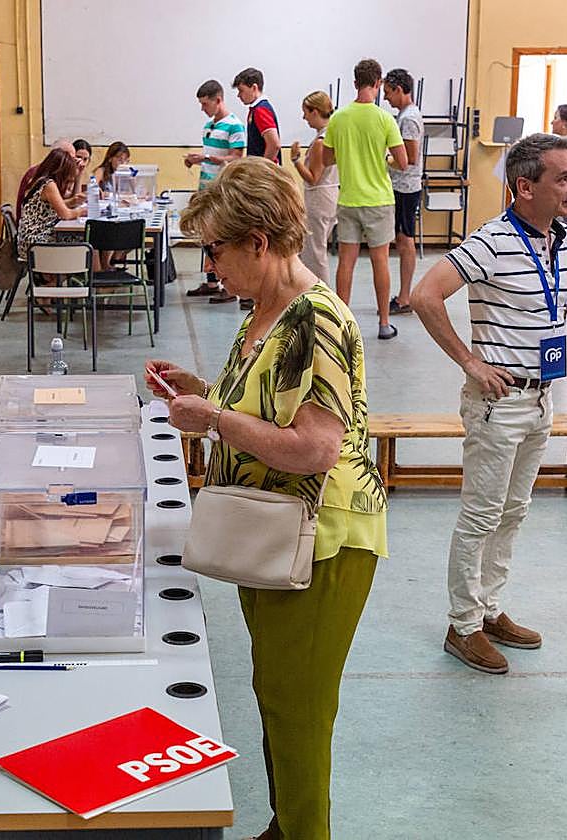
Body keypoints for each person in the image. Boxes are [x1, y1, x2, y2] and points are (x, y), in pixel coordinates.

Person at [145, 157, 386, 840]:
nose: (209, 264)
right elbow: (265, 406)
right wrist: (200, 390)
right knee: (276, 696)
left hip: (323, 538)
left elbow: (313, 448)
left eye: (214, 249)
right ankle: (285, 826)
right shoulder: (266, 310)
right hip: (270, 528)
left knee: (300, 709)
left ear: (258, 240)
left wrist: (215, 421)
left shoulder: (317, 320)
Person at [411, 133, 567, 675]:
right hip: (497, 404)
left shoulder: (563, 240)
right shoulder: (491, 241)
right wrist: (470, 362)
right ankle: (463, 624)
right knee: (481, 515)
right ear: (525, 187)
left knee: (513, 512)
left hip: (540, 398)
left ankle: (490, 607)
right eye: (564, 178)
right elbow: (424, 296)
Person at [322, 58, 408, 337]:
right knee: (380, 261)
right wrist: (383, 160)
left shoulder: (338, 118)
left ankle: (341, 326)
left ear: (355, 82)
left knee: (346, 262)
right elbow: (403, 162)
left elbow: (326, 159)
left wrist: (348, 153)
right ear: (378, 82)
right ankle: (384, 323)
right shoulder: (385, 119)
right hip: (379, 201)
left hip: (348, 198)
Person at [185, 79, 246, 302]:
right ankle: (211, 281)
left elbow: (235, 158)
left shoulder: (234, 125)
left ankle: (227, 284)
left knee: (220, 238)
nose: (203, 108)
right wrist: (197, 161)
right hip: (205, 187)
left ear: (218, 100)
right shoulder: (209, 126)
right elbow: (212, 158)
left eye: (205, 103)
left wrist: (207, 157)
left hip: (222, 190)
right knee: (205, 235)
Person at [233, 67, 283, 311]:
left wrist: (260, 169)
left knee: (261, 234)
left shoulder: (261, 110)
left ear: (254, 87)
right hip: (262, 178)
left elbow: (273, 143)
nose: (240, 96)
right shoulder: (256, 110)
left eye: (242, 91)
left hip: (263, 181)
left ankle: (263, 287)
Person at [383, 68, 424, 314]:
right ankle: (403, 295)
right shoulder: (405, 115)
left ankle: (405, 297)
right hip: (402, 186)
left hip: (405, 188)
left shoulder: (408, 118)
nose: (386, 98)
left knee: (405, 240)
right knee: (401, 239)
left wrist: (385, 157)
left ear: (400, 90)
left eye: (388, 92)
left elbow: (409, 158)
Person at [290, 90, 339, 285]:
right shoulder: (330, 135)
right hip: (329, 194)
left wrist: (296, 161)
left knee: (316, 253)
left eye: (306, 112)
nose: (304, 117)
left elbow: (313, 178)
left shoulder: (320, 142)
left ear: (315, 112)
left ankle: (321, 294)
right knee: (313, 249)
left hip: (319, 199)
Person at [17, 147, 83, 262]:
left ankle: (55, 277)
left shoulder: (41, 180)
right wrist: (82, 211)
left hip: (29, 239)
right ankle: (57, 277)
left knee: (82, 243)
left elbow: (50, 207)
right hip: (36, 242)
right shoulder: (49, 185)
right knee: (85, 243)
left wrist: (72, 202)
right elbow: (65, 214)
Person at [15, 138, 77, 220]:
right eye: (71, 159)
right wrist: (83, 211)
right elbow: (66, 214)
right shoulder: (48, 183)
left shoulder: (44, 176)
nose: (74, 162)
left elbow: (60, 200)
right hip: (37, 230)